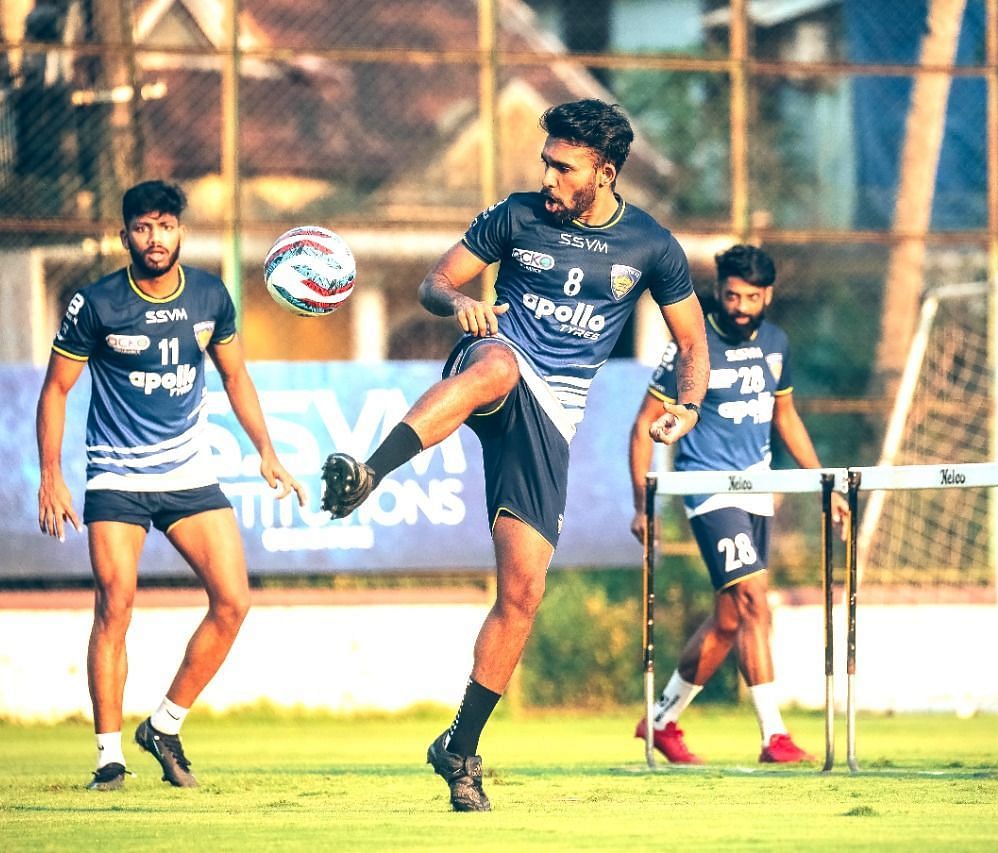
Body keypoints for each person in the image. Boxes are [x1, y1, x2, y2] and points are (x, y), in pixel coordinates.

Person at [320, 99, 709, 811]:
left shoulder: (652, 245)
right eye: (547, 162)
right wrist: (459, 304)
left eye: (565, 167)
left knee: (524, 593)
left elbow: (692, 343)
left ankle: (459, 748)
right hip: (495, 358)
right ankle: (368, 471)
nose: (550, 177)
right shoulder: (515, 216)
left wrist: (686, 405)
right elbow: (434, 282)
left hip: (554, 416)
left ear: (606, 173)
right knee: (496, 367)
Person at [36, 180, 306, 791]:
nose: (154, 239)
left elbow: (235, 378)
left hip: (189, 474)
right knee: (115, 603)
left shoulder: (211, 295)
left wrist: (266, 450)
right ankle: (109, 755)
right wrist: (52, 477)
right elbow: (55, 390)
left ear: (181, 230)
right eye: (142, 228)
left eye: (165, 226)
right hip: (117, 477)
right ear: (124, 234)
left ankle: (164, 725)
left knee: (234, 601)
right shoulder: (97, 304)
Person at [629, 244, 847, 765]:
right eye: (732, 294)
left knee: (730, 621)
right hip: (706, 487)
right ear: (718, 290)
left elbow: (785, 417)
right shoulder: (692, 345)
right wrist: (644, 504)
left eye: (752, 296)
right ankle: (775, 736)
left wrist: (823, 482)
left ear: (768, 295)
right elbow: (642, 426)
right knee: (755, 601)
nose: (741, 305)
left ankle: (660, 720)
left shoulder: (776, 342)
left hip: (758, 487)